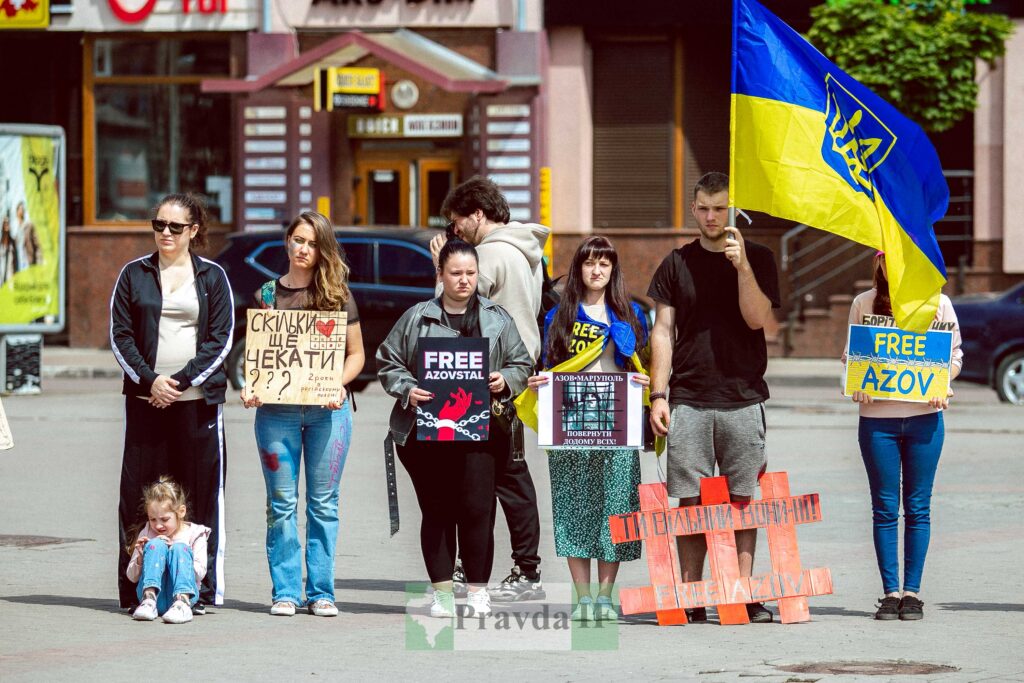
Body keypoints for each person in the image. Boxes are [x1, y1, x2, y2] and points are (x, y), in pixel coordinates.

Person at [647, 171, 780, 624]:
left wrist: (741, 266)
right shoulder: (676, 263)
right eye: (703, 208)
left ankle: (741, 593)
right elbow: (662, 332)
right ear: (693, 209)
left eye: (719, 208)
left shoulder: (759, 257)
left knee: (744, 498)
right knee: (689, 500)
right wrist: (658, 395)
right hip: (688, 396)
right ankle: (691, 595)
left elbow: (757, 318)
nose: (710, 216)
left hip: (743, 396)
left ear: (732, 210)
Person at [377, 239, 533, 618]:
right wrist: (407, 389)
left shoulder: (497, 317)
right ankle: (443, 593)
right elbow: (388, 360)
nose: (464, 281)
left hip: (480, 435)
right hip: (426, 436)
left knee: (478, 511)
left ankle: (479, 591)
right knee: (437, 512)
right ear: (440, 275)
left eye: (470, 273)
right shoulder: (417, 317)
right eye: (455, 273)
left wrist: (505, 379)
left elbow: (522, 364)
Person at [110, 192, 233, 613]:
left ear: (193, 231)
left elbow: (221, 339)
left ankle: (195, 590)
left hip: (197, 403)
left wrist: (178, 382)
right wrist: (151, 380)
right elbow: (119, 335)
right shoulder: (133, 274)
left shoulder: (213, 277)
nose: (165, 233)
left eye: (175, 227)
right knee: (137, 493)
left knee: (198, 492)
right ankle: (137, 590)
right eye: (159, 225)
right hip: (146, 400)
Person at [429, 176, 550, 601]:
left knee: (493, 477)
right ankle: (515, 567)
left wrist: (439, 267)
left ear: (477, 214)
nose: (454, 230)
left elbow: (453, 309)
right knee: (504, 473)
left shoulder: (488, 255)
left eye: (457, 221)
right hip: (515, 373)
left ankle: (514, 569)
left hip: (486, 377)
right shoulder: (526, 252)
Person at [241, 211, 365, 618]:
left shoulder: (337, 295)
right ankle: (286, 592)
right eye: (297, 240)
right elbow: (258, 354)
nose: (303, 249)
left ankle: (322, 591)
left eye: (311, 242)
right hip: (276, 414)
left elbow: (357, 355)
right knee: (280, 503)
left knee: (323, 504)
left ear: (322, 248)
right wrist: (251, 384)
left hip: (328, 414)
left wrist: (337, 385)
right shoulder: (266, 294)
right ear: (287, 243)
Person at [524, 236, 649, 621]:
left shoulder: (630, 315)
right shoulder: (558, 316)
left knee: (616, 509)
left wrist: (646, 383)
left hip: (618, 426)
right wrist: (539, 382)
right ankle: (582, 598)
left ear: (614, 271)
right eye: (590, 263)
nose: (597, 271)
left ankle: (605, 596)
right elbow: (547, 366)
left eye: (605, 264)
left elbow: (646, 364)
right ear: (578, 268)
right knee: (574, 508)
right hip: (571, 426)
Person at [845, 251, 962, 621]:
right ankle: (889, 592)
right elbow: (852, 356)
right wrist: (856, 386)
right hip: (877, 420)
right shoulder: (863, 303)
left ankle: (912, 592)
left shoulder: (939, 303)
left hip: (925, 418)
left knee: (918, 507)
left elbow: (954, 354)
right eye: (886, 257)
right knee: (883, 508)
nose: (894, 264)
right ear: (878, 264)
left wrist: (943, 382)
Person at [126, 476, 210, 624]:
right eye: (153, 519)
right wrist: (140, 556)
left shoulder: (195, 533)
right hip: (153, 595)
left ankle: (182, 603)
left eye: (165, 519)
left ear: (181, 511)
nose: (158, 526)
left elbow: (200, 573)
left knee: (179, 548)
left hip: (183, 592)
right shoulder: (147, 532)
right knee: (156, 545)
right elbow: (132, 577)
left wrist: (174, 552)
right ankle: (148, 601)